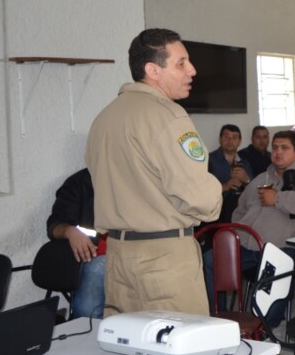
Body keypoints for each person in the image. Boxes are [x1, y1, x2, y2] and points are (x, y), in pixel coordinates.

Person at [85, 28, 221, 317]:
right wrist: (215, 194)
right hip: (164, 258)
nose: (192, 70)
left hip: (119, 258)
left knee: (132, 353)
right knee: (185, 352)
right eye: (181, 63)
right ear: (152, 70)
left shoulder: (105, 118)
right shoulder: (169, 116)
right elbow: (200, 197)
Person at [206, 130, 295, 322]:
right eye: (275, 147)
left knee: (275, 272)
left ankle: (265, 325)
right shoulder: (262, 178)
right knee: (211, 259)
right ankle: (219, 316)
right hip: (248, 246)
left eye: (284, 148)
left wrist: (277, 198)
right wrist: (236, 233)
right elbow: (239, 210)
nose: (278, 152)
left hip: (284, 249)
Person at [45, 168, 106, 318]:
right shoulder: (81, 182)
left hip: (136, 254)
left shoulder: (136, 177)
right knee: (87, 307)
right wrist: (69, 231)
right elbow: (55, 225)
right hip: (97, 257)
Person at [208, 124, 253, 223]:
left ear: (239, 141)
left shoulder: (245, 162)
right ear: (220, 139)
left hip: (240, 211)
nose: (230, 141)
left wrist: (246, 179)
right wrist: (225, 186)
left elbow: (254, 190)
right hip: (217, 212)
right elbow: (202, 188)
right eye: (226, 137)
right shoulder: (209, 160)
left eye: (234, 137)